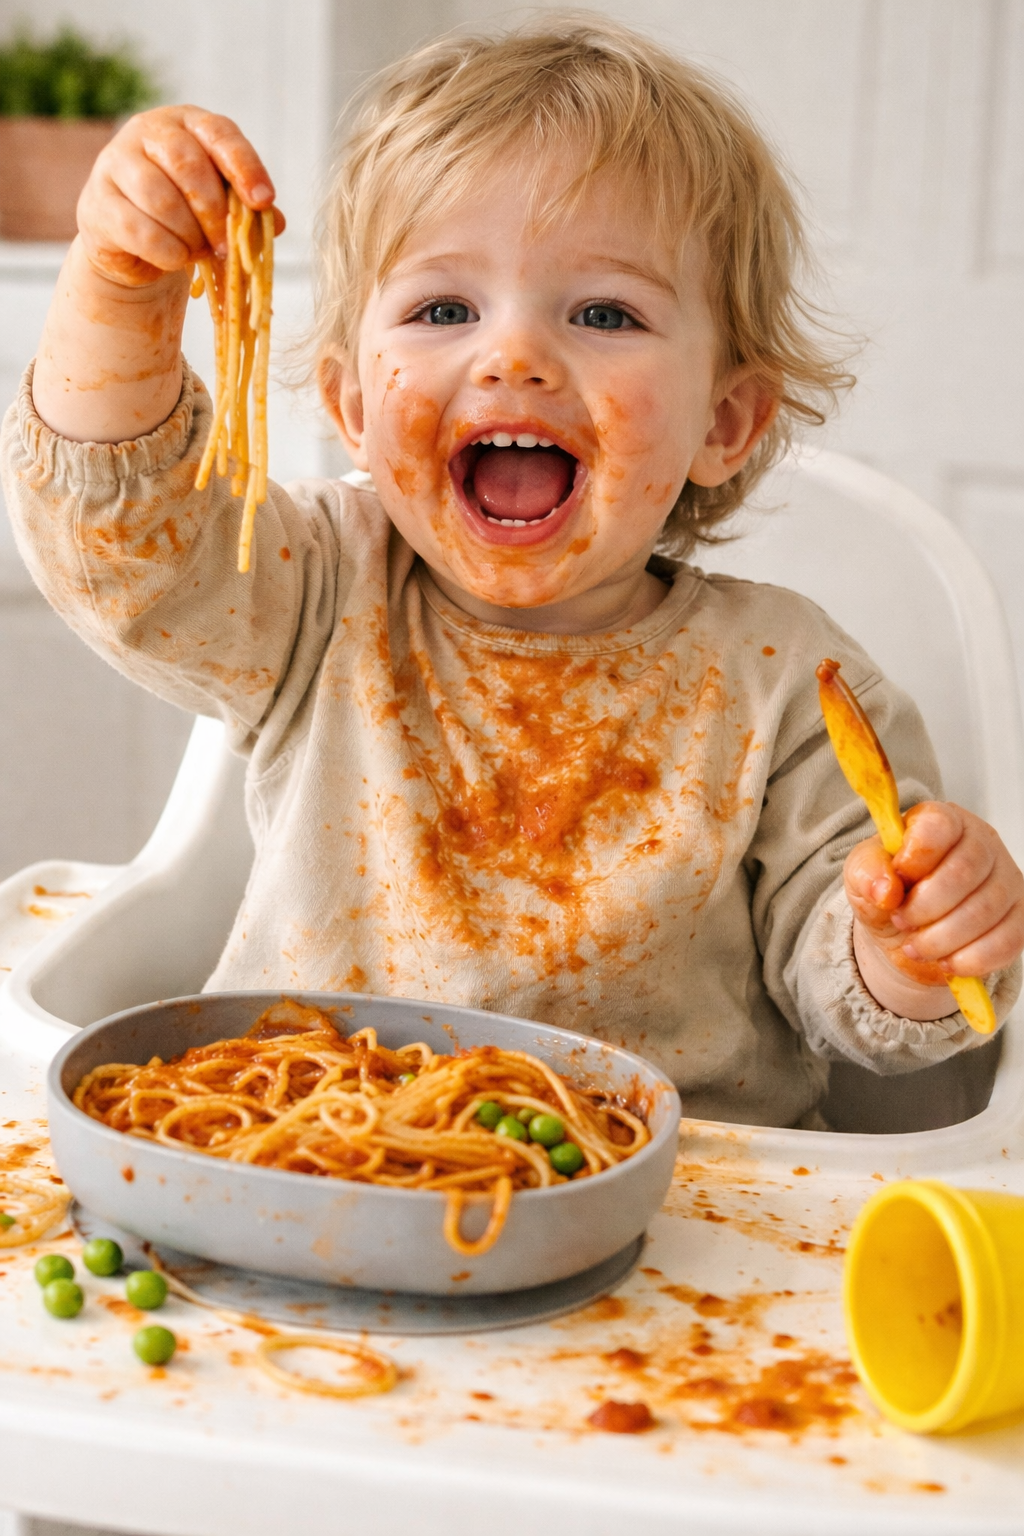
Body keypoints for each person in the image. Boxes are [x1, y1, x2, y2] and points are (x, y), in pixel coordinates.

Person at [3, 19, 1021, 1128]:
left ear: (725, 421)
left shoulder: (789, 684)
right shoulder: (319, 593)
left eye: (603, 313)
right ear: (351, 403)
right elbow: (126, 551)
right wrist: (119, 289)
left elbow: (848, 1002)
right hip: (309, 1149)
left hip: (679, 1214)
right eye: (444, 309)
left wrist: (905, 946)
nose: (515, 355)